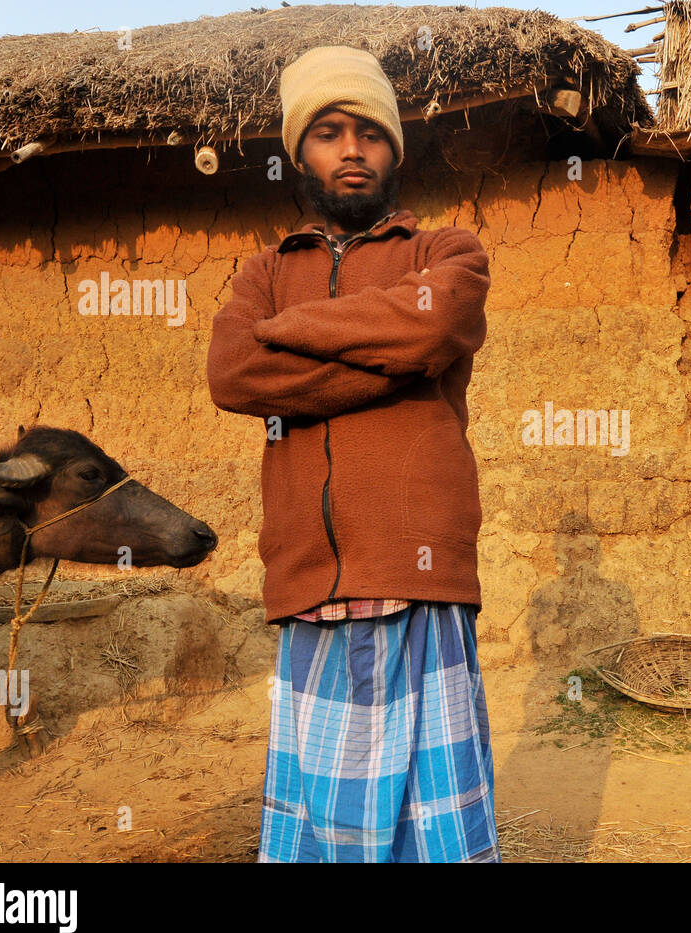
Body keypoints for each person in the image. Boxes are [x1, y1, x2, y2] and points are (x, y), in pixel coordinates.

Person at [206, 46, 498, 860]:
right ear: (300, 153)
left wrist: (290, 334)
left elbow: (434, 325)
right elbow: (232, 372)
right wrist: (391, 356)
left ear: (393, 150)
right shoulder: (263, 271)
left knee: (431, 824)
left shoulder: (447, 253)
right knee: (323, 826)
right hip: (309, 578)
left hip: (417, 569)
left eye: (370, 131)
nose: (353, 148)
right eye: (330, 133)